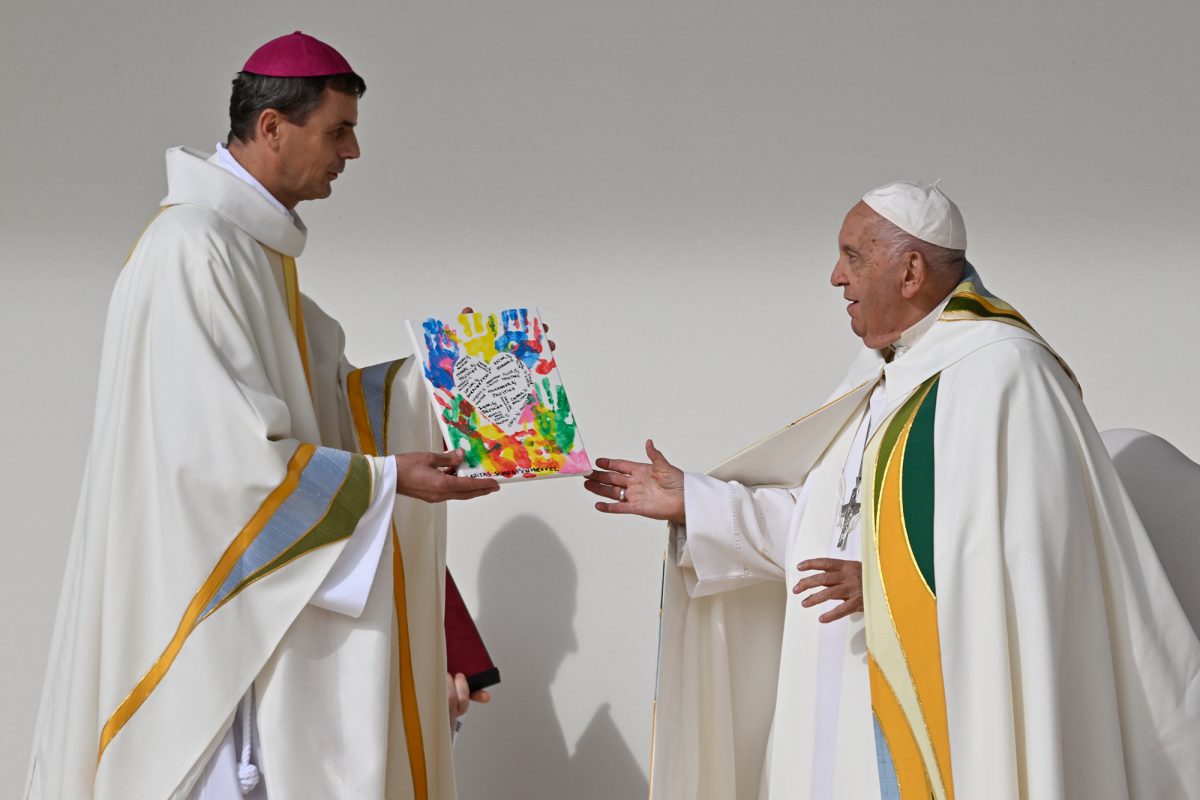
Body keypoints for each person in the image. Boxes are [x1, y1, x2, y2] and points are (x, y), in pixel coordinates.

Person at [585, 181, 1200, 798]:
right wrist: (697, 501)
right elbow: (831, 525)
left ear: (910, 272)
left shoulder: (1006, 371)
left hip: (941, 701)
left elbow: (1033, 559)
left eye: (852, 256)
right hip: (837, 690)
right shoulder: (886, 372)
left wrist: (889, 584)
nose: (834, 277)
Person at [26, 32, 500, 800]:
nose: (353, 152)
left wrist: (457, 378)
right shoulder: (193, 249)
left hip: (260, 627)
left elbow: (339, 406)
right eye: (338, 130)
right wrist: (386, 480)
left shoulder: (249, 256)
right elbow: (220, 464)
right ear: (273, 126)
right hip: (212, 624)